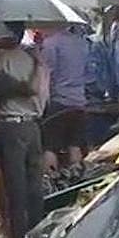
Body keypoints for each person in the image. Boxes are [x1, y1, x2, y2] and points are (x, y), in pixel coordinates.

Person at [0, 22, 45, 238]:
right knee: (35, 195)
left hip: (11, 130)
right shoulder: (35, 59)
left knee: (15, 199)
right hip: (33, 128)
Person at [40, 25, 90, 169]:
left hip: (58, 102)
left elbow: (46, 76)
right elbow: (88, 73)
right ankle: (76, 178)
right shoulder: (81, 43)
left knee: (50, 147)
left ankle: (52, 181)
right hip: (79, 101)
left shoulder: (50, 44)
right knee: (75, 145)